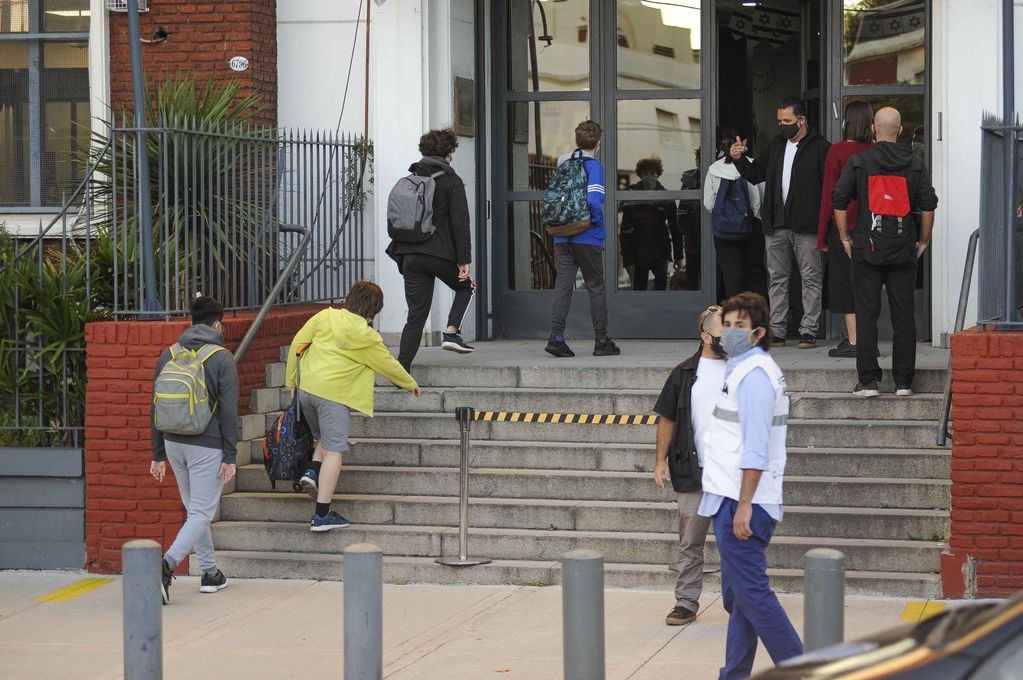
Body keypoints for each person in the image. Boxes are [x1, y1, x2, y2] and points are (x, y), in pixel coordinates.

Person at [698, 292, 803, 679]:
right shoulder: (742, 368)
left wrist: (744, 505)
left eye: (740, 326)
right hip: (730, 497)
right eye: (726, 324)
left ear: (757, 333)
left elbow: (756, 448)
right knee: (740, 598)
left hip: (744, 503)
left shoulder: (755, 376)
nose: (730, 332)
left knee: (753, 596)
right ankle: (734, 674)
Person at [285, 281, 420, 531]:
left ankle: (312, 472)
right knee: (335, 451)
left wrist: (291, 379)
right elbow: (387, 364)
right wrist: (409, 383)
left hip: (307, 389)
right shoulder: (368, 336)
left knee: (324, 437)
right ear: (373, 311)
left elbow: (297, 344)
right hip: (333, 396)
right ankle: (321, 516)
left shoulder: (325, 316)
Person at [832, 107, 938, 397]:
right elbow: (928, 204)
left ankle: (868, 381)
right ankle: (904, 383)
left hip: (867, 250)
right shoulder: (915, 161)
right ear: (900, 130)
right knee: (904, 316)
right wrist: (924, 242)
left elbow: (838, 199)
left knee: (866, 314)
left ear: (873, 129)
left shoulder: (859, 161)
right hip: (904, 251)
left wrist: (844, 237)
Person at [150, 295, 238, 604]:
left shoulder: (169, 353)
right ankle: (165, 565)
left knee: (195, 512)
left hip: (174, 442)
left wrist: (157, 452)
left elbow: (156, 404)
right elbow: (228, 412)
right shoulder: (222, 357)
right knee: (202, 512)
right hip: (206, 445)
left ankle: (211, 573)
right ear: (217, 324)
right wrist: (230, 455)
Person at [730, 97, 831, 348]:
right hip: (775, 224)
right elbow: (756, 174)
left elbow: (829, 189)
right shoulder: (776, 145)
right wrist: (739, 159)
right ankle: (777, 330)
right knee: (777, 278)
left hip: (807, 225)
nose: (782, 126)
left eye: (787, 121)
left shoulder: (820, 147)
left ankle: (809, 330)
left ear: (802, 120)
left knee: (811, 278)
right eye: (779, 121)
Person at [652, 305, 727, 625]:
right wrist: (659, 461)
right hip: (692, 470)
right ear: (705, 336)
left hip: (731, 474)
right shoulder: (683, 373)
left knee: (736, 544)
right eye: (725, 330)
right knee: (690, 543)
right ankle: (685, 602)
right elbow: (667, 417)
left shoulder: (741, 369)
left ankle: (743, 602)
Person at [386, 128, 475, 373]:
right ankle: (451, 333)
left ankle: (402, 368)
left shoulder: (410, 179)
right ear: (448, 152)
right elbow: (460, 224)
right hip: (438, 253)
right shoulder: (451, 181)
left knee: (416, 314)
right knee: (466, 286)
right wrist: (463, 259)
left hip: (408, 254)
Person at [545, 120, 621, 358]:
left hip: (562, 235)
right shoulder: (594, 166)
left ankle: (556, 338)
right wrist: (597, 224)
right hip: (586, 236)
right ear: (598, 143)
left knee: (563, 286)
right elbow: (594, 201)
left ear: (577, 140)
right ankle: (601, 340)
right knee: (596, 286)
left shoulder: (563, 163)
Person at [817, 100, 874, 358]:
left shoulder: (837, 151)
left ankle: (854, 340)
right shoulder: (876, 151)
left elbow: (830, 196)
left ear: (847, 122)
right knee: (868, 283)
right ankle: (868, 339)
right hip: (873, 227)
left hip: (843, 227)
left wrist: (822, 236)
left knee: (846, 284)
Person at [705, 128, 767, 300]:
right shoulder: (753, 166)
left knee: (732, 277)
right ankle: (756, 318)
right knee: (755, 273)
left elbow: (709, 203)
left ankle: (735, 319)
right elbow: (762, 199)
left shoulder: (713, 169)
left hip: (724, 230)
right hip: (752, 227)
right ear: (744, 143)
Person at [620, 156, 683, 291]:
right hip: (638, 252)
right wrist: (628, 261)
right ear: (640, 175)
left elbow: (675, 227)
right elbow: (625, 231)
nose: (649, 178)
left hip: (659, 250)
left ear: (658, 175)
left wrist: (678, 257)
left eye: (653, 174)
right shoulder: (631, 196)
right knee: (639, 290)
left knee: (661, 285)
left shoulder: (666, 197)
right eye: (646, 174)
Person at [679, 148, 702, 290]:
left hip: (714, 240)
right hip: (692, 240)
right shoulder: (689, 182)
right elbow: (681, 214)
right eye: (699, 159)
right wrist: (689, 235)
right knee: (692, 278)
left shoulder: (719, 176)